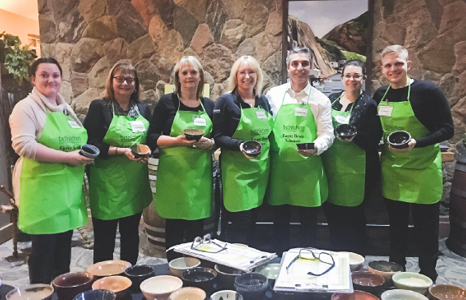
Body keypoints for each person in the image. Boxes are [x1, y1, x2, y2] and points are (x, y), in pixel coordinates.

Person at [373, 45, 454, 282]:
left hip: (424, 170)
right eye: (388, 65)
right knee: (396, 228)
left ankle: (428, 276)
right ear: (382, 69)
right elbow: (376, 129)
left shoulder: (427, 91)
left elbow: (447, 129)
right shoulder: (381, 95)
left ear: (408, 65)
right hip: (393, 171)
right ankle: (394, 273)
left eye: (398, 63)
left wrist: (417, 142)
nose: (393, 69)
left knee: (426, 231)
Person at [10, 58, 93, 283]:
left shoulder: (64, 108)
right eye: (44, 75)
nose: (51, 80)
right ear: (33, 79)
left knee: (62, 256)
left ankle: (62, 291)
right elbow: (24, 146)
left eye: (55, 75)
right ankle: (40, 294)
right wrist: (69, 157)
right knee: (42, 256)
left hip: (67, 195)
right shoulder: (25, 108)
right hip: (43, 196)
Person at [266, 47, 334, 255]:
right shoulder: (272, 96)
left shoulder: (321, 100)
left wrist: (316, 147)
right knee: (279, 224)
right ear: (288, 67)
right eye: (295, 64)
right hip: (280, 171)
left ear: (311, 67)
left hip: (308, 172)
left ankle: (307, 264)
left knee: (308, 226)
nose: (300, 68)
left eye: (304, 63)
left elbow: (327, 134)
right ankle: (278, 263)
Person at [147, 56, 215, 261]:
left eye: (193, 72)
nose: (189, 76)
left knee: (196, 231)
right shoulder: (167, 103)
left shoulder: (209, 105)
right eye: (184, 72)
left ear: (200, 76)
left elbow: (217, 138)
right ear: (178, 77)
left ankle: (195, 274)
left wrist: (210, 144)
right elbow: (151, 137)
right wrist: (176, 141)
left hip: (199, 178)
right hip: (174, 177)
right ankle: (174, 273)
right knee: (175, 230)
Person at [84, 61, 152, 265]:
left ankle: (128, 281)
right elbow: (90, 144)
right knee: (104, 240)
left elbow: (151, 139)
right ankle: (103, 284)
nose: (125, 83)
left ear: (136, 84)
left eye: (130, 79)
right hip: (107, 185)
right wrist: (119, 151)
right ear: (112, 82)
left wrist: (148, 151)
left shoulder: (142, 108)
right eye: (120, 78)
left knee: (131, 236)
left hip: (134, 183)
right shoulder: (100, 107)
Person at [321, 59, 382, 255]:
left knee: (354, 217)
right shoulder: (331, 100)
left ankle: (355, 259)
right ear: (342, 77)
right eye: (348, 75)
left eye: (356, 75)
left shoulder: (369, 104)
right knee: (333, 214)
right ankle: (336, 255)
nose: (351, 79)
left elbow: (374, 139)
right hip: (332, 167)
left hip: (359, 172)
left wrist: (354, 136)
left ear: (363, 78)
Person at [213, 56, 273, 244]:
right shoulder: (226, 102)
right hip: (236, 173)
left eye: (251, 72)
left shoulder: (263, 102)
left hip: (260, 170)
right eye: (242, 72)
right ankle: (234, 269)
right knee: (240, 222)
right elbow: (218, 136)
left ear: (258, 75)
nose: (247, 76)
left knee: (254, 220)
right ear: (235, 76)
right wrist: (240, 145)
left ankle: (250, 266)